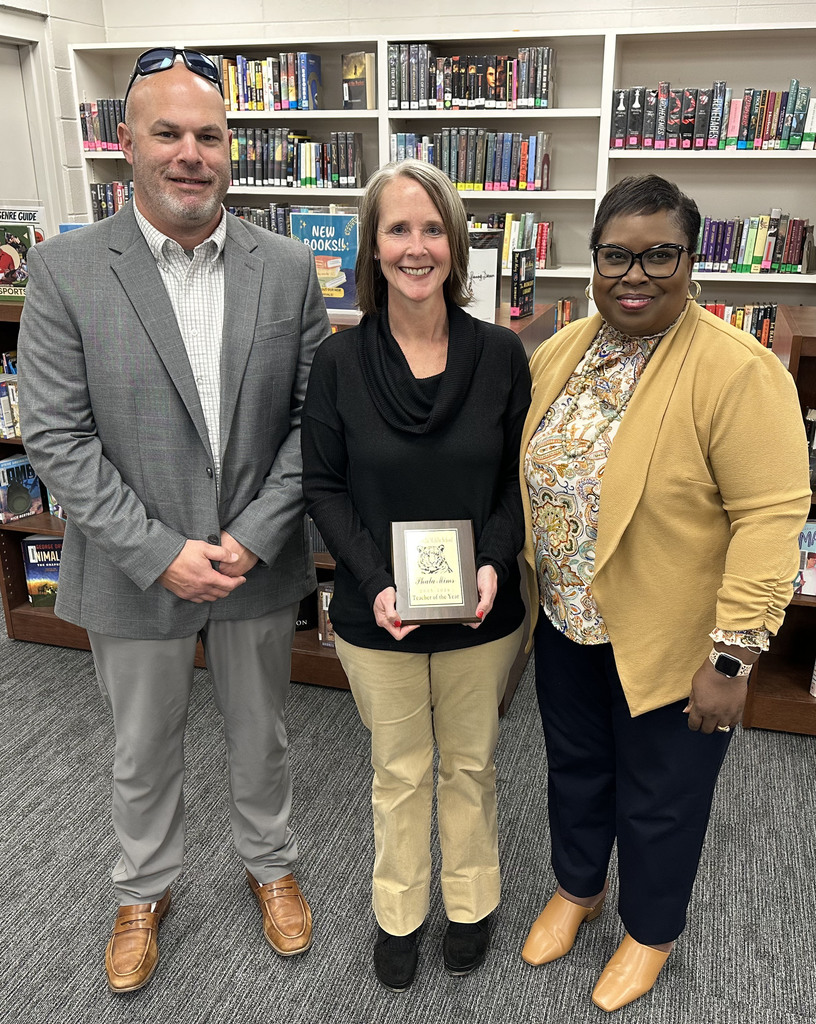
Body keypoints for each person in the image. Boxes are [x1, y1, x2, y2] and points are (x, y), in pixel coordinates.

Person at [18, 48, 329, 993]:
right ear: (127, 147)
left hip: (254, 562)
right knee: (140, 743)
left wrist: (254, 535)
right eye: (168, 132)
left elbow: (317, 422)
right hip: (132, 566)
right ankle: (143, 890)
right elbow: (56, 435)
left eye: (210, 134)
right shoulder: (67, 270)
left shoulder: (286, 269)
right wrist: (160, 553)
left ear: (231, 148)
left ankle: (270, 866)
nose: (191, 152)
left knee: (262, 731)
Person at [518, 174, 811, 1012]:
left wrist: (734, 657)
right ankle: (579, 890)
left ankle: (649, 932)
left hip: (676, 644)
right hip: (569, 624)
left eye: (659, 255)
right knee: (574, 772)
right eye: (616, 255)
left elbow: (769, 519)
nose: (634, 275)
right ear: (593, 260)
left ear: (691, 261)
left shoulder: (739, 372)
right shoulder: (562, 351)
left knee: (660, 796)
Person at [301, 159, 530, 991]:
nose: (416, 246)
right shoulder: (338, 364)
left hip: (480, 609)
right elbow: (323, 484)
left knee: (469, 764)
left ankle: (471, 902)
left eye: (433, 227)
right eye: (398, 228)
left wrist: (497, 562)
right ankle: (398, 910)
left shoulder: (502, 356)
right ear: (373, 246)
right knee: (398, 771)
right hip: (378, 608)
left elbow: (517, 479)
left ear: (457, 242)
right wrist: (374, 579)